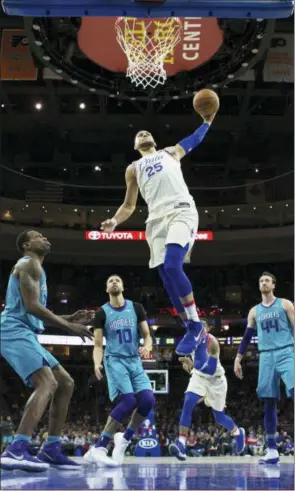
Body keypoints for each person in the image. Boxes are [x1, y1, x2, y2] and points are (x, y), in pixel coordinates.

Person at [100, 109, 217, 356]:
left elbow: (193, 140)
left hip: (180, 211)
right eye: (139, 134)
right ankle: (190, 328)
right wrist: (114, 221)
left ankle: (196, 323)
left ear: (153, 141)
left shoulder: (170, 152)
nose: (143, 133)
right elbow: (129, 205)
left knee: (174, 265)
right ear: (136, 145)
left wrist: (206, 121)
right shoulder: (133, 168)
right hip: (155, 221)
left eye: (146, 132)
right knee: (165, 276)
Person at [0, 230, 94, 472]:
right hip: (12, 330)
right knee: (47, 383)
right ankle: (16, 449)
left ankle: (51, 449)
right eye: (38, 236)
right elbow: (32, 307)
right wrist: (70, 326)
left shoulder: (37, 269)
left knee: (66, 382)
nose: (45, 238)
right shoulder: (29, 263)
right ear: (26, 245)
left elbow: (34, 311)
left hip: (25, 330)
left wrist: (68, 317)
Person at [84, 274, 154, 466]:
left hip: (134, 360)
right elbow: (98, 344)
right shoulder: (102, 313)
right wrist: (96, 363)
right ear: (107, 289)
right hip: (114, 359)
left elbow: (147, 335)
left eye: (117, 280)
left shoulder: (136, 308)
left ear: (123, 286)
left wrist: (148, 346)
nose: (114, 282)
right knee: (129, 400)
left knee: (148, 400)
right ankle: (99, 447)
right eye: (110, 281)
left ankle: (123, 440)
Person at [234, 271, 294, 465]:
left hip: (286, 351)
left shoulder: (285, 304)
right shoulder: (254, 311)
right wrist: (238, 358)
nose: (264, 283)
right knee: (269, 402)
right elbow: (246, 337)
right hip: (266, 356)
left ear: (274, 285)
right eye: (261, 281)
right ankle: (272, 450)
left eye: (267, 280)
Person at [169, 320, 245, 461]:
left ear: (208, 329)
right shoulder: (192, 339)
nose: (199, 331)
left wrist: (191, 365)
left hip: (216, 380)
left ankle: (237, 432)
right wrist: (186, 360)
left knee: (219, 417)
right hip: (199, 377)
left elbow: (209, 370)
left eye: (202, 328)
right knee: (188, 402)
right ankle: (181, 444)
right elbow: (185, 353)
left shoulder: (213, 343)